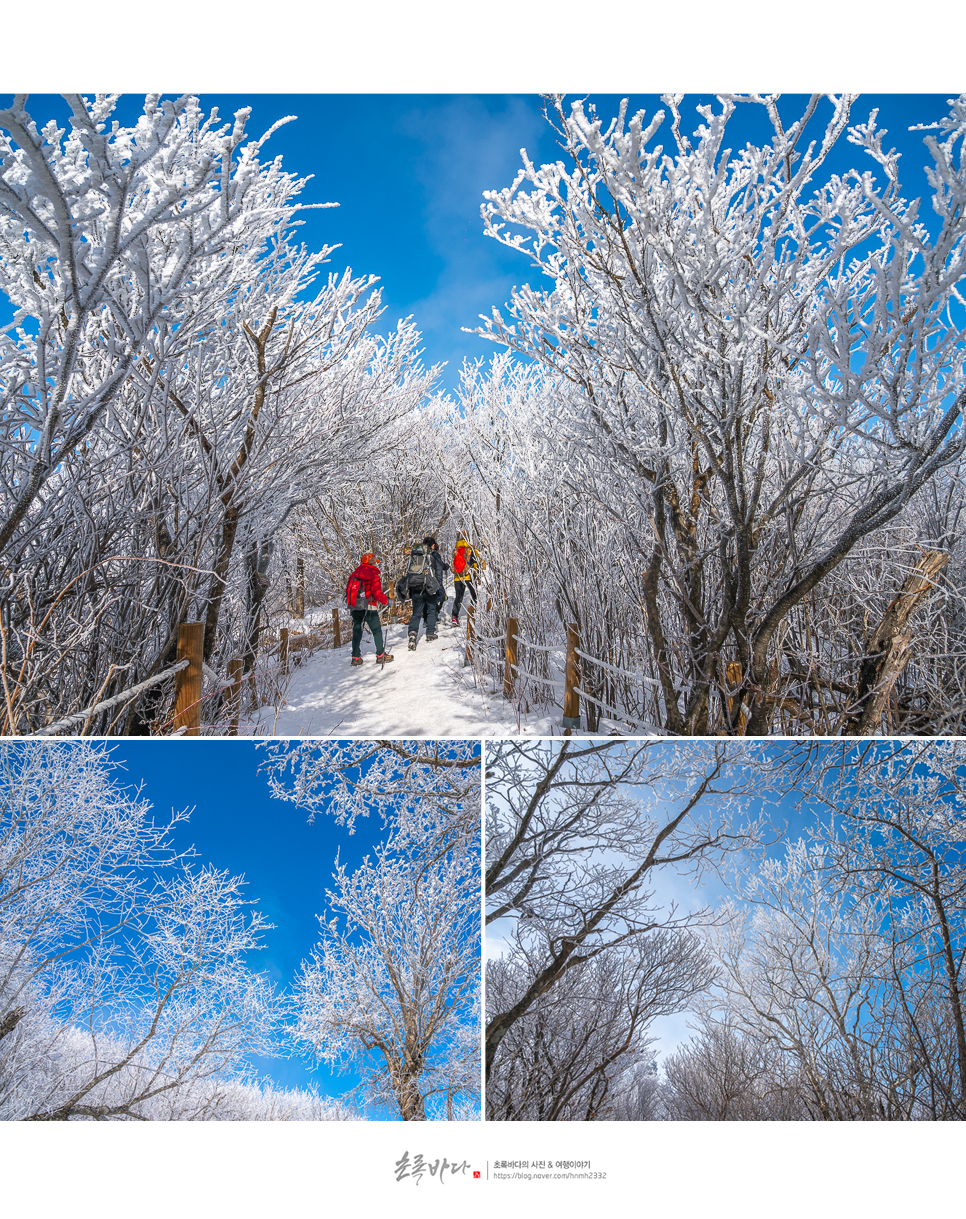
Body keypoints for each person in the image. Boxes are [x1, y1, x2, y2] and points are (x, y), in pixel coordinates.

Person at [345, 552, 393, 665]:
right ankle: (381, 656)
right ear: (372, 563)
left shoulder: (354, 574)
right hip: (369, 607)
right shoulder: (374, 575)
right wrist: (387, 601)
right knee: (376, 631)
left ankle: (355, 657)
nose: (376, 565)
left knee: (357, 631)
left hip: (356, 607)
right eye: (375, 563)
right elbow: (376, 593)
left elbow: (348, 589)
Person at [397, 541, 440, 649]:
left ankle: (412, 633)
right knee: (431, 609)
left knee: (416, 613)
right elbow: (437, 572)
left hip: (415, 587)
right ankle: (430, 632)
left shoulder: (413, 560)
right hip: (427, 587)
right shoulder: (430, 558)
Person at [451, 535, 479, 625]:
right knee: (474, 594)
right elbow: (476, 564)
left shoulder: (456, 549)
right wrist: (477, 577)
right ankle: (474, 613)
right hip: (468, 576)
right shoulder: (471, 549)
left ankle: (454, 616)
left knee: (458, 597)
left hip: (458, 576)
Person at [423, 536, 449, 625]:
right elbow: (438, 569)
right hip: (433, 581)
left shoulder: (420, 554)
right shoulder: (435, 554)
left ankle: (426, 620)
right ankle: (433, 617)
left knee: (425, 599)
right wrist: (439, 583)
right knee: (440, 597)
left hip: (421, 581)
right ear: (433, 545)